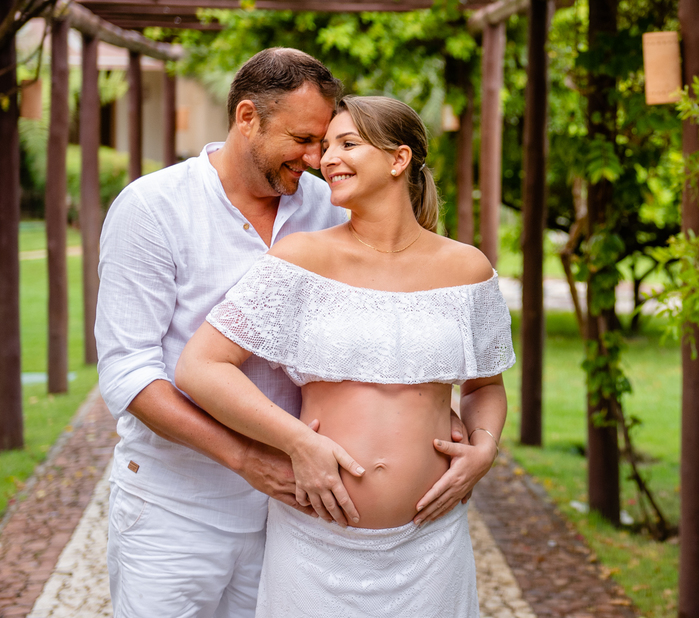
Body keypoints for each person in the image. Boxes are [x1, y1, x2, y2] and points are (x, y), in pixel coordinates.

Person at [95, 51, 470, 618]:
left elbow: (386, 307)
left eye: (326, 141)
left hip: (294, 517)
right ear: (247, 117)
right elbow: (129, 372)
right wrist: (248, 459)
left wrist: (433, 410)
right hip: (176, 509)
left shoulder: (329, 206)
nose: (318, 158)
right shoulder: (152, 208)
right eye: (303, 139)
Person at [175, 95, 512, 618]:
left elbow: (485, 386)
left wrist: (484, 449)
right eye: (325, 146)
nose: (326, 158)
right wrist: (297, 444)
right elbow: (201, 367)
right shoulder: (301, 258)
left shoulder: (466, 269)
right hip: (314, 546)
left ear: (398, 160)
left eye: (347, 144)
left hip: (432, 548)